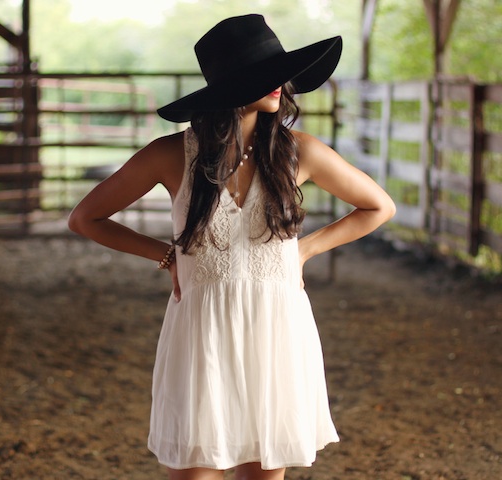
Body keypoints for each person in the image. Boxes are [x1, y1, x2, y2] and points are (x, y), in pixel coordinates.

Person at [68, 13, 395, 480]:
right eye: (264, 75)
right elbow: (85, 218)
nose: (280, 84)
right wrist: (164, 257)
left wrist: (304, 250)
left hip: (276, 334)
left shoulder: (300, 152)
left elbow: (378, 207)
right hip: (202, 337)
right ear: (229, 88)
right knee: (195, 471)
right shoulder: (170, 154)